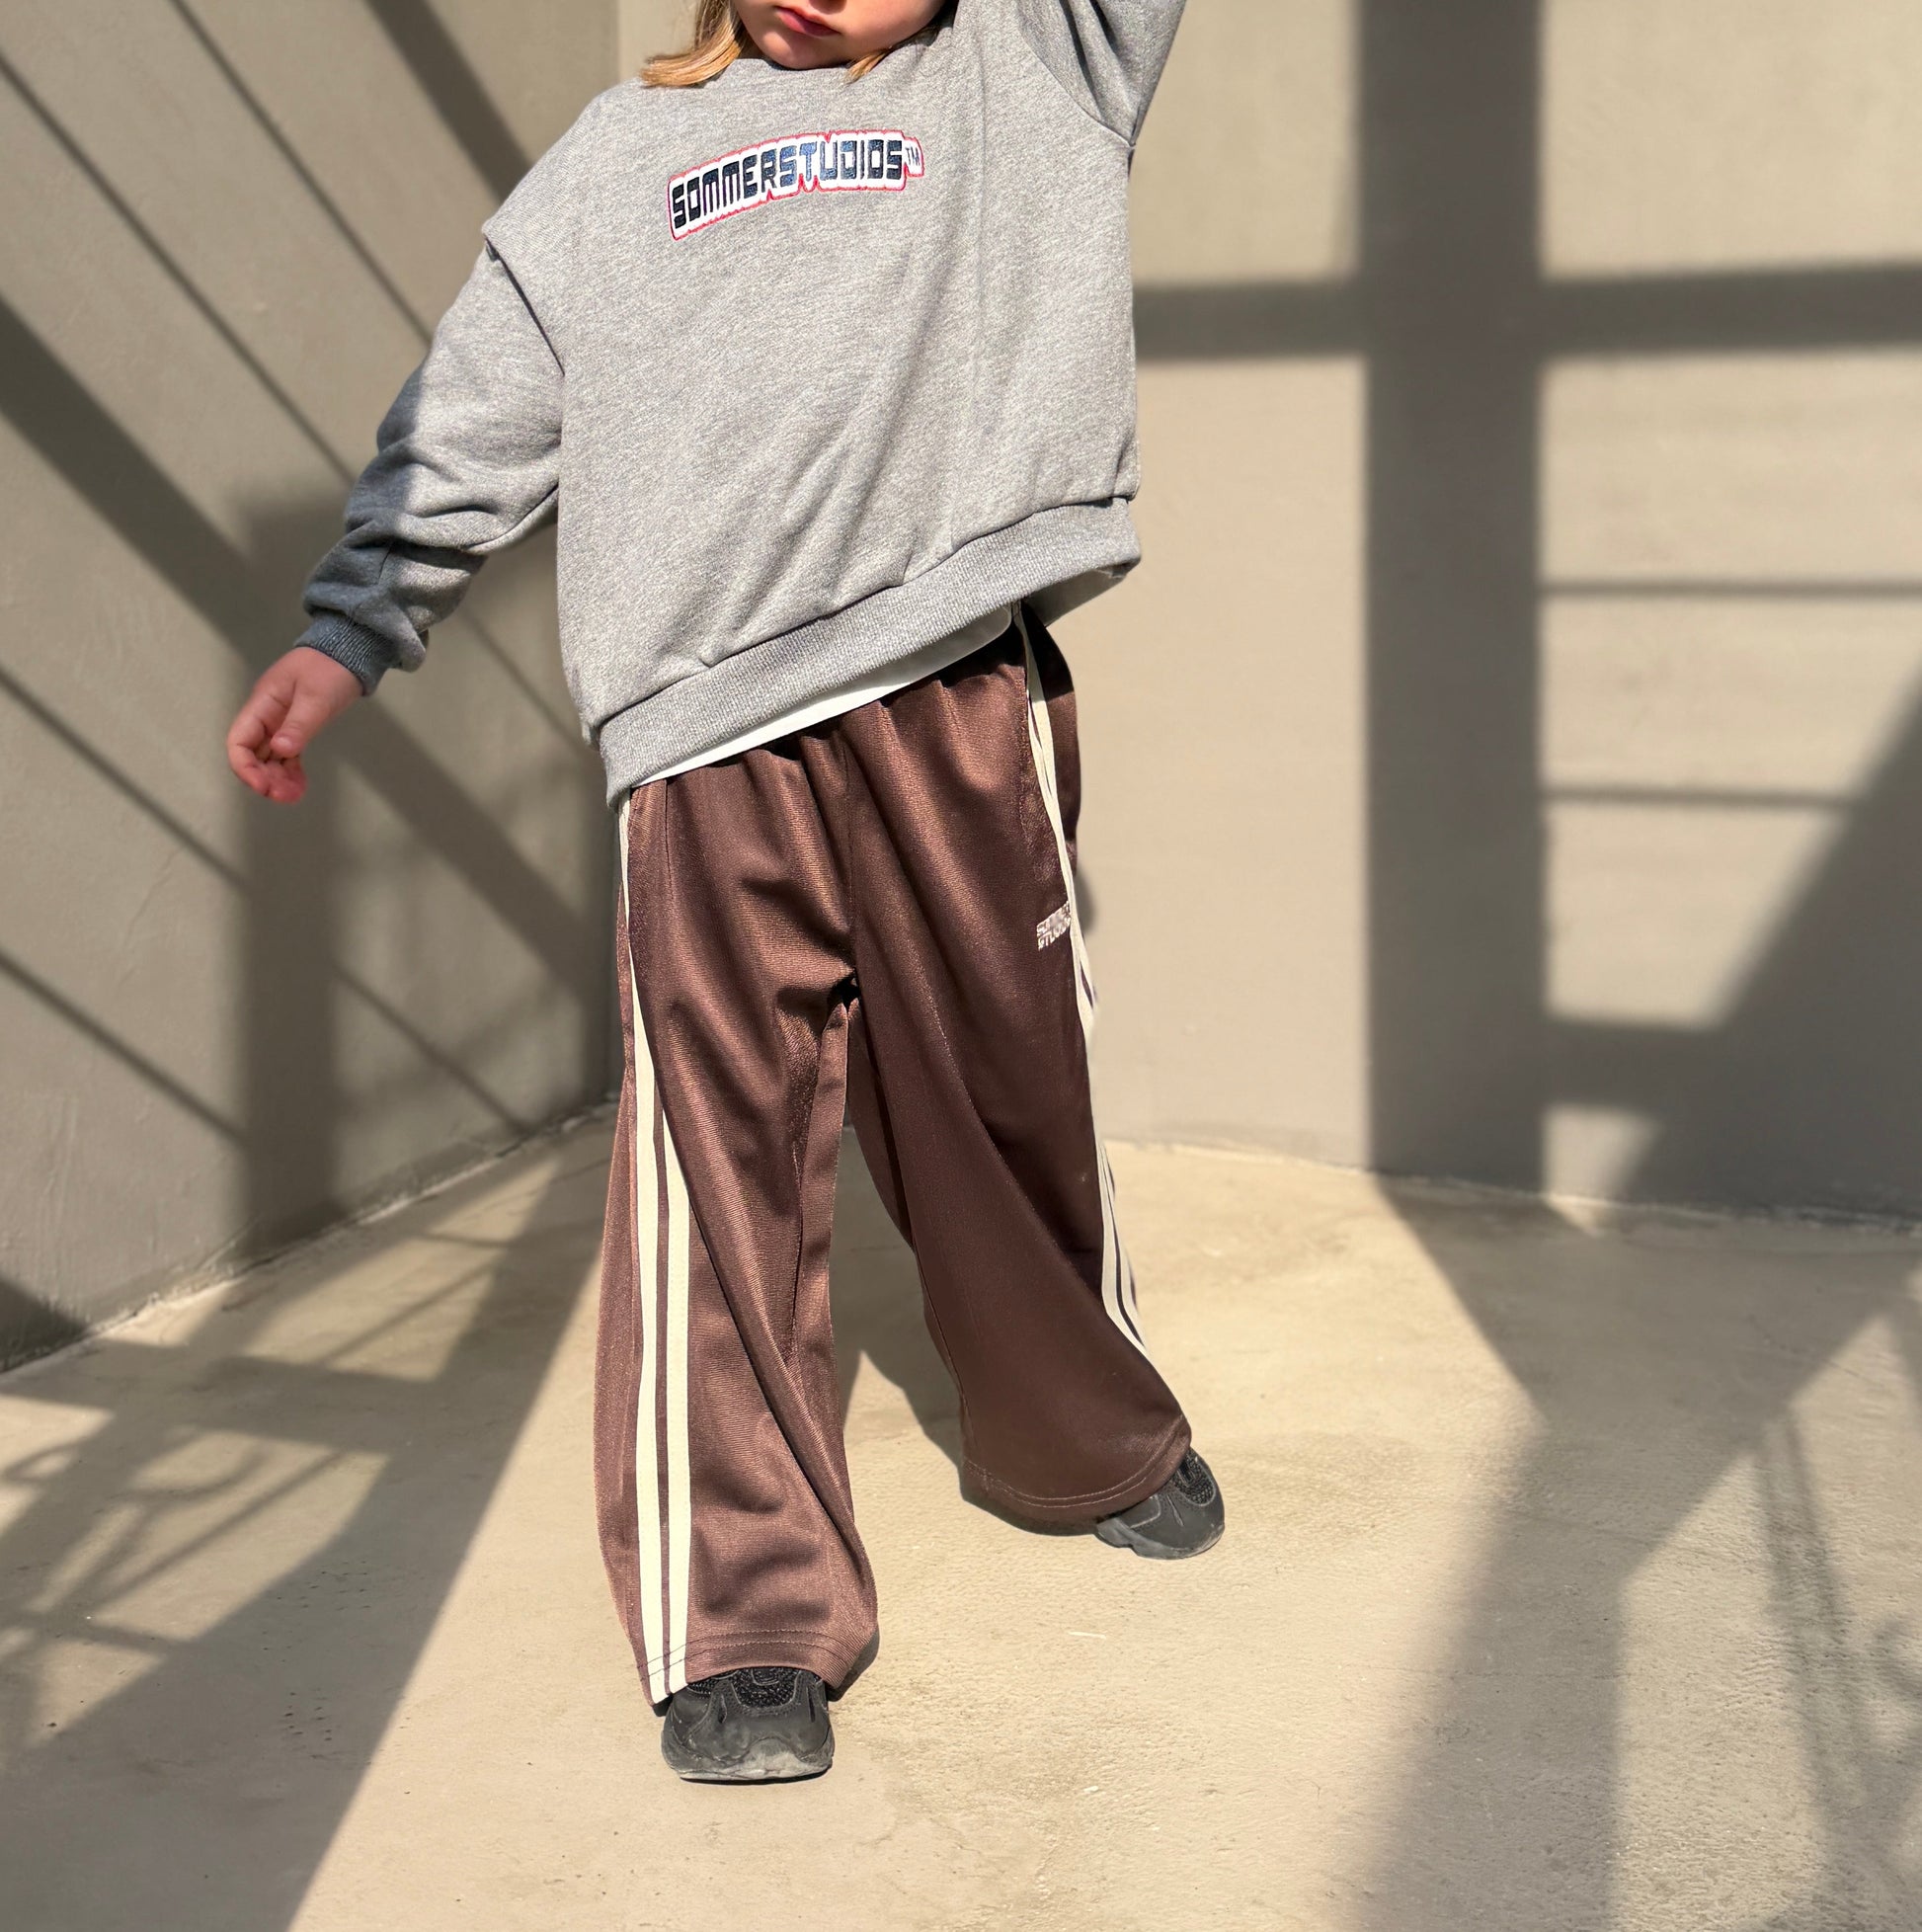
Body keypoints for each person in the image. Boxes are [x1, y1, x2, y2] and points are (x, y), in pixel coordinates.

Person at [224, 0, 1221, 1785]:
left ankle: (1082, 1438)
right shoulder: (616, 158)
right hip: (699, 733)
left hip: (951, 687)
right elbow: (478, 405)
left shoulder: (1029, 69)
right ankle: (743, 1607)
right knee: (712, 1154)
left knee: (1010, 1101)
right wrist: (351, 627)